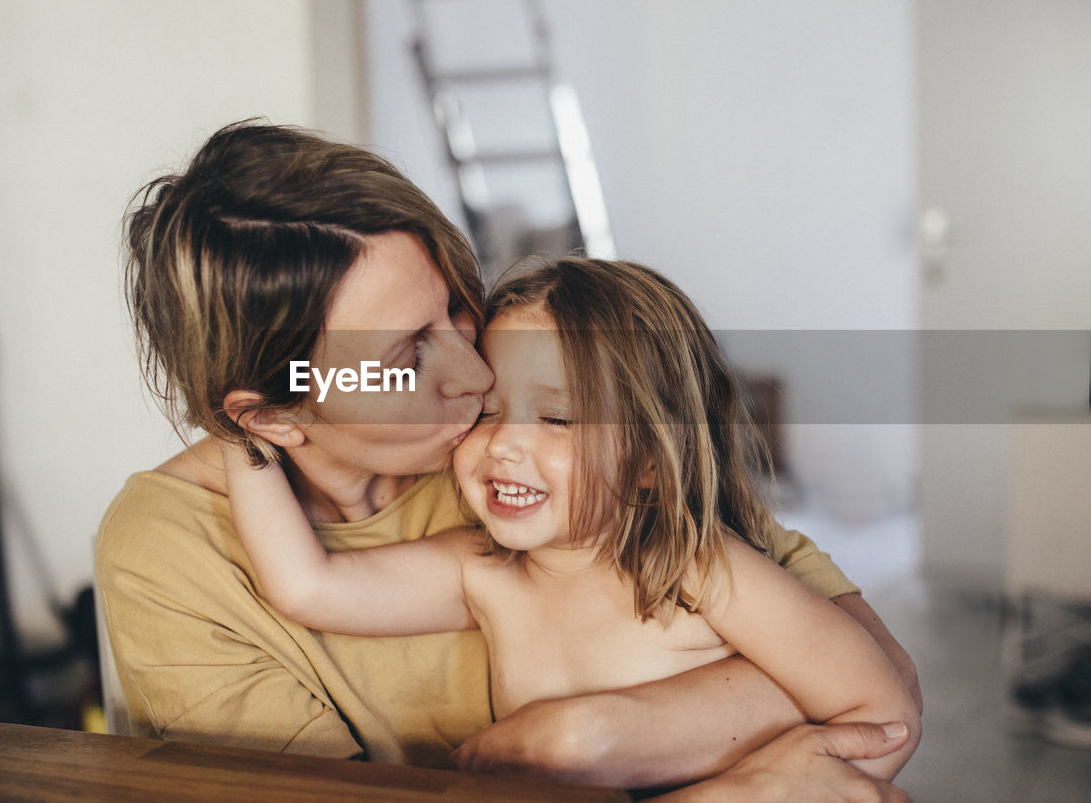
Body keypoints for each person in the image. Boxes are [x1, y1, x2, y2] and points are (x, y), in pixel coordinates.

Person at [96, 119, 920, 794]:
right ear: (273, 414)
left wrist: (593, 735)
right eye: (405, 356)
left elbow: (880, 695)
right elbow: (308, 585)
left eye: (456, 306)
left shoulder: (617, 506)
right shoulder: (175, 554)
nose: (475, 372)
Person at [219, 257, 921, 781]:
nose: (505, 442)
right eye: (486, 411)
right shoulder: (481, 572)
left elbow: (881, 712)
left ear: (651, 457)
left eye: (557, 417)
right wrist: (243, 431)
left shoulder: (699, 568)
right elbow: (307, 586)